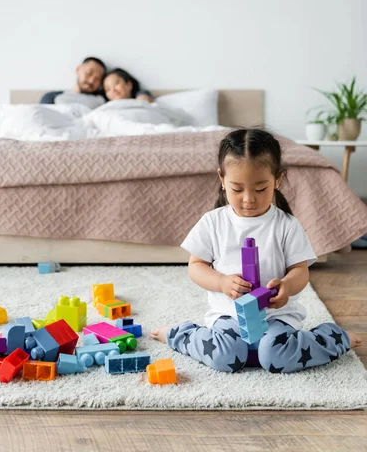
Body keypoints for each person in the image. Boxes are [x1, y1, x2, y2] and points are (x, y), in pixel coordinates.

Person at [151, 128, 362, 373]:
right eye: (237, 189)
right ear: (222, 179)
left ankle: (333, 337)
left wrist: (287, 286)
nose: (249, 199)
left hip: (276, 318)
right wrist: (221, 282)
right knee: (224, 357)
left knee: (276, 356)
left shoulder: (286, 225)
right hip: (228, 317)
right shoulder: (213, 222)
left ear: (277, 180)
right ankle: (180, 335)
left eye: (260, 189)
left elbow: (300, 270)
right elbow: (196, 266)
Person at [39, 57, 107, 109]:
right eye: (89, 73)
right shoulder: (52, 97)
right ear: (78, 70)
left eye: (97, 79)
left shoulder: (103, 100)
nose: (91, 80)